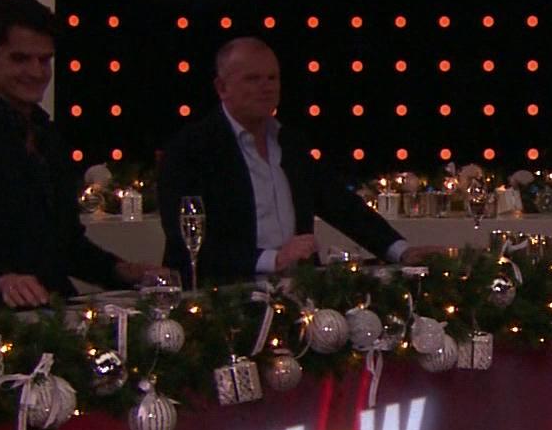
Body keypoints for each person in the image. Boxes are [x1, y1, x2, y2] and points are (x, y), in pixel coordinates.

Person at [0, 0, 165, 310]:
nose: (37, 72)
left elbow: (66, 246)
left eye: (44, 60)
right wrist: (3, 280)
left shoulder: (48, 137)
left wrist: (122, 270)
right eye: (20, 59)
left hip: (56, 313)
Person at [157, 37, 436, 283]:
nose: (266, 87)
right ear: (222, 87)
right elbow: (186, 240)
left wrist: (400, 251)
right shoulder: (191, 148)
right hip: (224, 298)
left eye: (272, 78)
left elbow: (340, 204)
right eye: (253, 79)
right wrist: (274, 259)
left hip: (298, 294)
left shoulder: (289, 142)